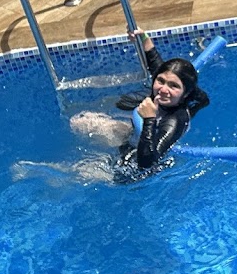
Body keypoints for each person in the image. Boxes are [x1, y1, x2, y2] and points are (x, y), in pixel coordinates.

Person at [66, 28, 209, 174]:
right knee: (81, 121)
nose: (163, 89)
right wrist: (143, 37)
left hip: (137, 168)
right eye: (160, 81)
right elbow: (155, 63)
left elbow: (147, 164)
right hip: (133, 136)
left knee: (79, 172)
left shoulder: (176, 119)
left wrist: (149, 118)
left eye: (174, 86)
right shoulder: (167, 92)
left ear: (186, 93)